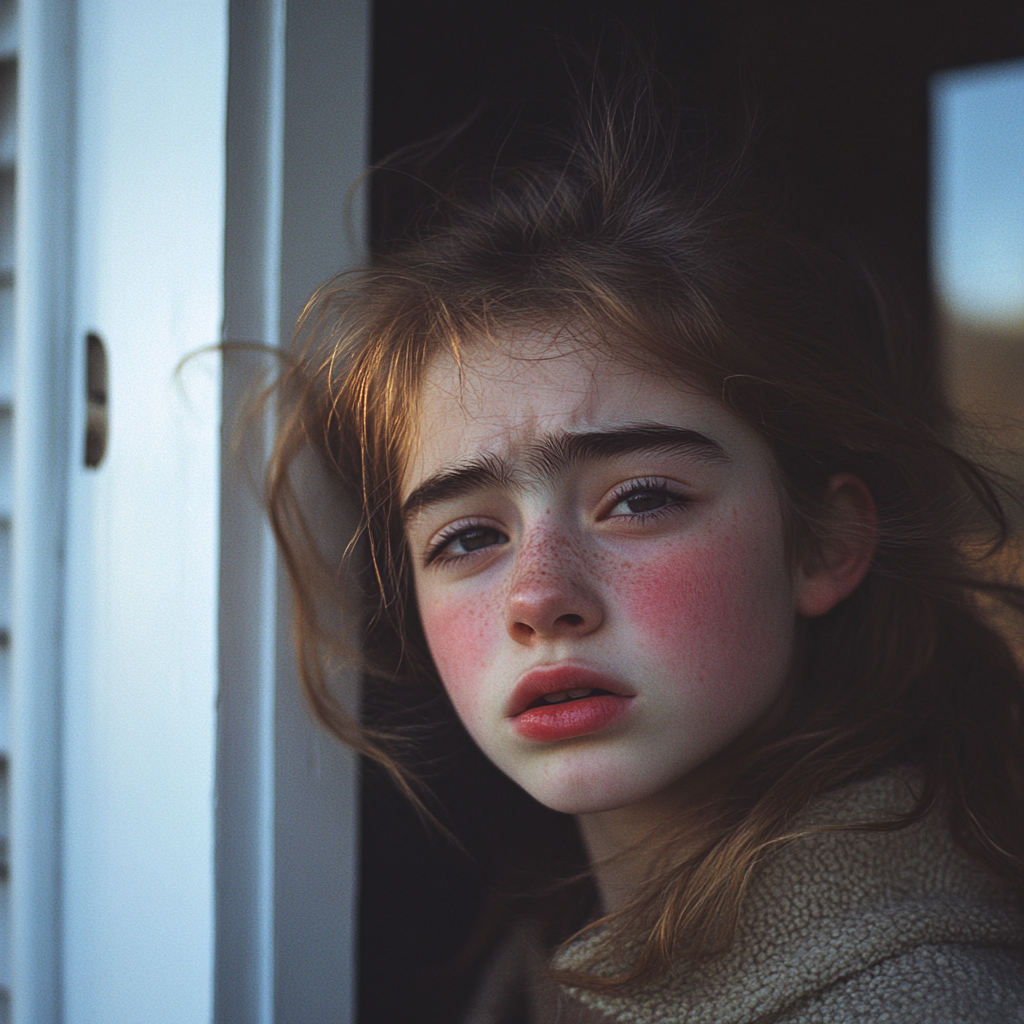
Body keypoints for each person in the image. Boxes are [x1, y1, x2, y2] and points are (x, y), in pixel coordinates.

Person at [266, 75, 1024, 1023]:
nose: (540, 598)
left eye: (641, 500)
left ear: (824, 543)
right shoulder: (539, 962)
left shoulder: (928, 1000)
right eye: (467, 537)